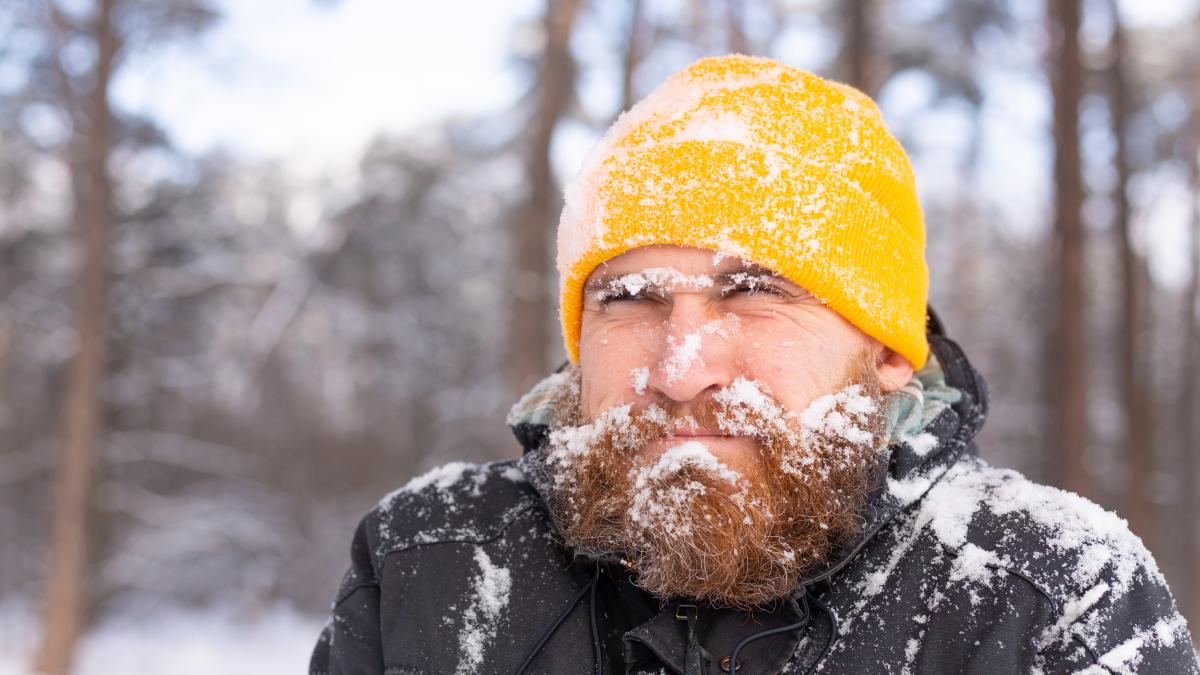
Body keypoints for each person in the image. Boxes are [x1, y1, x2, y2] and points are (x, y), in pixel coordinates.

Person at [309, 55, 1198, 675]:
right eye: (630, 299)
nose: (680, 369)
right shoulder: (426, 562)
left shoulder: (1049, 596)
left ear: (888, 349)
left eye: (754, 291)